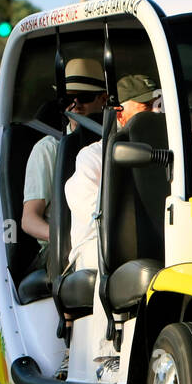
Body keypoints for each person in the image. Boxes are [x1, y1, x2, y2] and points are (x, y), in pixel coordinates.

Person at [65, 73, 160, 273]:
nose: (156, 114)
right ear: (119, 114)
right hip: (97, 246)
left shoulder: (168, 153)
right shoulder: (93, 157)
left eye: (158, 106)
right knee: (115, 255)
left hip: (154, 239)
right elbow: (98, 220)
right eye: (146, 107)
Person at [21, 58, 107, 262]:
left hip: (106, 243)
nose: (75, 105)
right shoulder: (48, 149)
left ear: (103, 99)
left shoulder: (114, 144)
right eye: (68, 99)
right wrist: (65, 239)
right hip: (59, 251)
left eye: (83, 97)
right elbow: (29, 219)